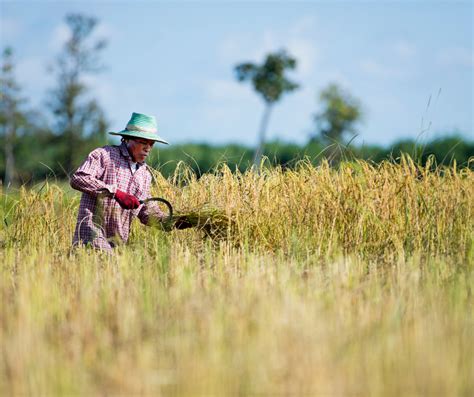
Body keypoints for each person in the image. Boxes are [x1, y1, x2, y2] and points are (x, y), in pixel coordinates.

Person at [70, 112, 189, 252]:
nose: (148, 148)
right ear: (127, 139)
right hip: (91, 240)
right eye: (143, 142)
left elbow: (147, 212)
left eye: (151, 144)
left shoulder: (144, 174)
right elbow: (79, 178)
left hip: (118, 246)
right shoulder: (104, 155)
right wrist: (116, 193)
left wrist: (174, 222)